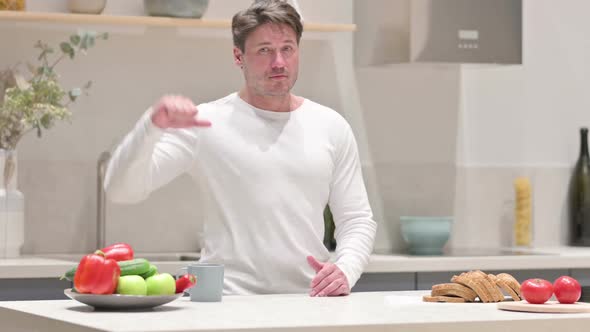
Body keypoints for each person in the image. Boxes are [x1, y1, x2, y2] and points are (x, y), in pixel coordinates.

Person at [104, 0, 376, 297]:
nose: (278, 62)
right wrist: (150, 127)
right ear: (238, 56)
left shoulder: (330, 125)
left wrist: (346, 269)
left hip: (310, 302)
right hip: (227, 305)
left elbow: (356, 219)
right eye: (264, 50)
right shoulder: (205, 122)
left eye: (287, 48)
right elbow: (121, 189)